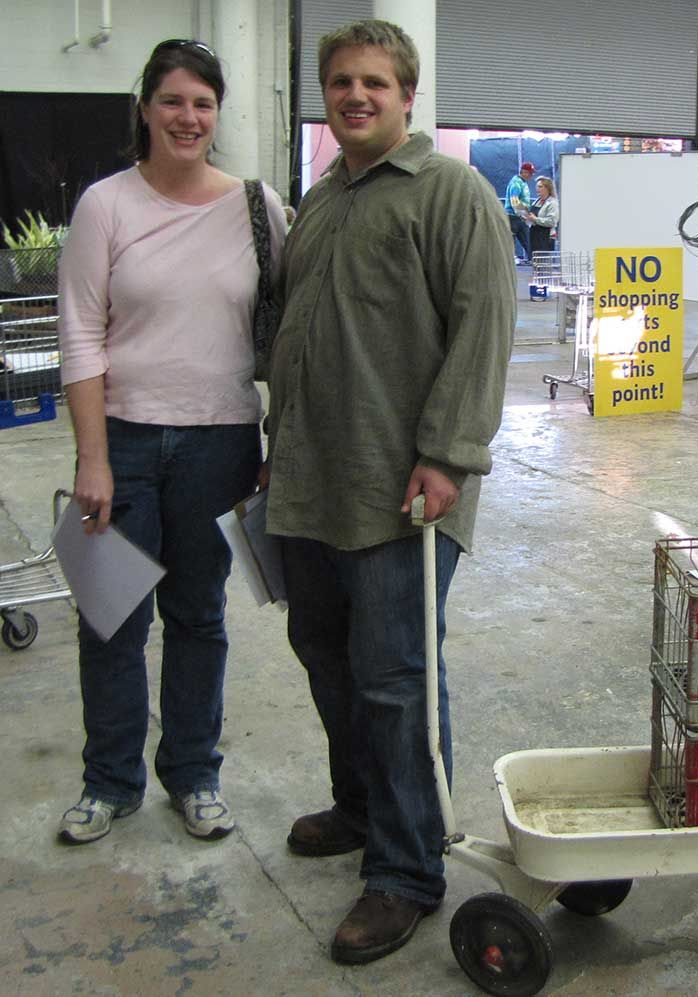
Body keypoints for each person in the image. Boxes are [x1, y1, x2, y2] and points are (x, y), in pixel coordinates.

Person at [264, 19, 515, 965]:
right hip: (311, 480)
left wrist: (448, 455)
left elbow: (485, 323)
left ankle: (408, 869)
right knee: (324, 649)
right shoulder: (322, 198)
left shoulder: (450, 192)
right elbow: (295, 335)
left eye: (374, 81)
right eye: (339, 82)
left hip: (403, 490)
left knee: (395, 675)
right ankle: (363, 806)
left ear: (408, 96)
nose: (355, 95)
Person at [56, 39, 287, 844]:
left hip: (219, 442)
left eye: (203, 103)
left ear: (216, 114)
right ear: (145, 109)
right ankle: (109, 781)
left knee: (198, 616)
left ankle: (192, 773)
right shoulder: (105, 205)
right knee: (110, 616)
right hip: (119, 441)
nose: (189, 117)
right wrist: (91, 456)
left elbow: (290, 331)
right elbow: (81, 335)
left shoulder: (258, 208)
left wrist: (278, 441)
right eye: (173, 101)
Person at [504, 161, 535, 263]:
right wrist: (523, 215)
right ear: (524, 172)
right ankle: (512, 259)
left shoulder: (523, 183)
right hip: (513, 217)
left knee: (527, 239)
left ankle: (532, 259)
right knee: (512, 239)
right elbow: (514, 200)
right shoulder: (516, 183)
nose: (531, 175)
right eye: (530, 173)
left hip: (521, 217)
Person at [527, 175, 559, 257]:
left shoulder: (552, 203)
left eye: (540, 186)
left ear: (548, 188)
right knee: (535, 264)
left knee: (544, 264)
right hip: (534, 237)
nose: (537, 189)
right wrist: (527, 218)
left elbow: (552, 221)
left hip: (545, 238)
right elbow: (532, 218)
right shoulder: (536, 201)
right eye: (537, 186)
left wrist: (536, 219)